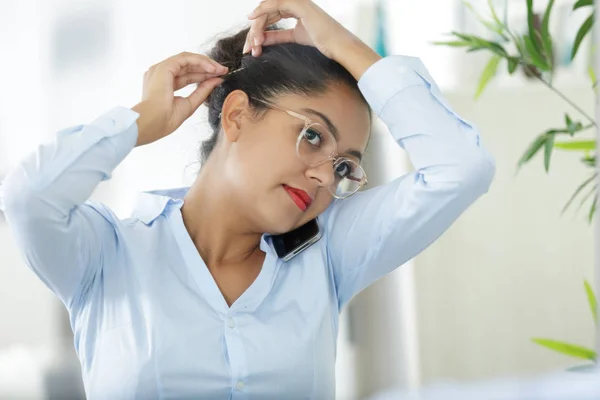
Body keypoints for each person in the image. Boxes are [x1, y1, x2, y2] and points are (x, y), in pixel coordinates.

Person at [0, 0, 495, 398]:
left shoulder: (329, 251)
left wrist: (343, 42)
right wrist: (141, 120)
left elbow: (461, 168)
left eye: (345, 165)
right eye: (313, 136)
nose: (325, 176)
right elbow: (28, 197)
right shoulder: (106, 253)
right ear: (236, 115)